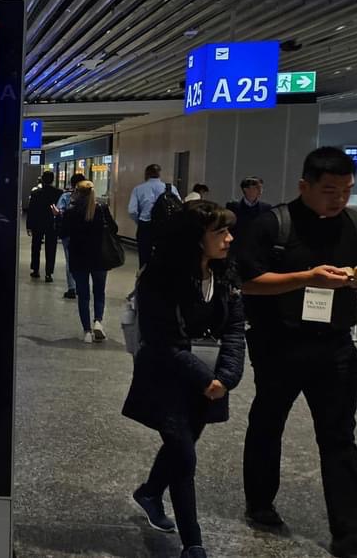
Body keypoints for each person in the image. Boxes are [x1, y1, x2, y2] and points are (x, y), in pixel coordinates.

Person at [237, 147, 357, 558]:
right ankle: (259, 502)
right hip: (279, 344)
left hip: (337, 345)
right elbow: (248, 281)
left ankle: (351, 532)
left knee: (340, 436)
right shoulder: (274, 224)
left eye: (346, 190)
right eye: (329, 190)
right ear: (304, 185)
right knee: (268, 422)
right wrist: (306, 278)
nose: (338, 199)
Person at [122, 201, 245, 558]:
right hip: (167, 376)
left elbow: (235, 329)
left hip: (208, 382)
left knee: (181, 447)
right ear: (195, 238)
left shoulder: (224, 274)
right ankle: (194, 543)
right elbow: (162, 339)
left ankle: (149, 492)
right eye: (219, 232)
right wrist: (207, 378)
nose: (228, 239)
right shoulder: (160, 276)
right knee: (184, 456)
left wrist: (226, 378)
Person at [61, 180, 118, 343]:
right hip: (100, 258)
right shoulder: (101, 209)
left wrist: (59, 217)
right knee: (99, 292)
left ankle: (87, 331)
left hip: (79, 258)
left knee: (83, 295)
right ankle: (98, 322)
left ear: (77, 193)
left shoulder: (71, 212)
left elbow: (63, 232)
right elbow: (115, 229)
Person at [128, 164, 176, 269]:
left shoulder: (138, 189)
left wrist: (139, 220)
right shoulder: (170, 188)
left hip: (145, 226)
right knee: (165, 257)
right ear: (160, 174)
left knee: (145, 258)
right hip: (166, 228)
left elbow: (132, 211)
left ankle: (144, 279)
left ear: (146, 174)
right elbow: (179, 207)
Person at [27, 170, 63, 282]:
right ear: (53, 180)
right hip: (52, 224)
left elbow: (31, 210)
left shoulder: (36, 193)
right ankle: (48, 273)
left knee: (36, 247)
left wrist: (29, 225)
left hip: (38, 223)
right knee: (51, 248)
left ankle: (35, 270)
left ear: (42, 179)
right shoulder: (58, 193)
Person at [56, 173, 87, 300]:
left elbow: (59, 211)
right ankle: (81, 287)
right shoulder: (89, 198)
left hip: (68, 233)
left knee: (70, 260)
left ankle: (72, 288)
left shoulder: (66, 196)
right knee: (83, 260)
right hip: (85, 234)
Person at [226, 176, 273, 250]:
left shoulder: (266, 208)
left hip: (257, 249)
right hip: (237, 248)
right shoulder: (233, 206)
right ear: (246, 189)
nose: (260, 190)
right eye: (257, 187)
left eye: (261, 187)